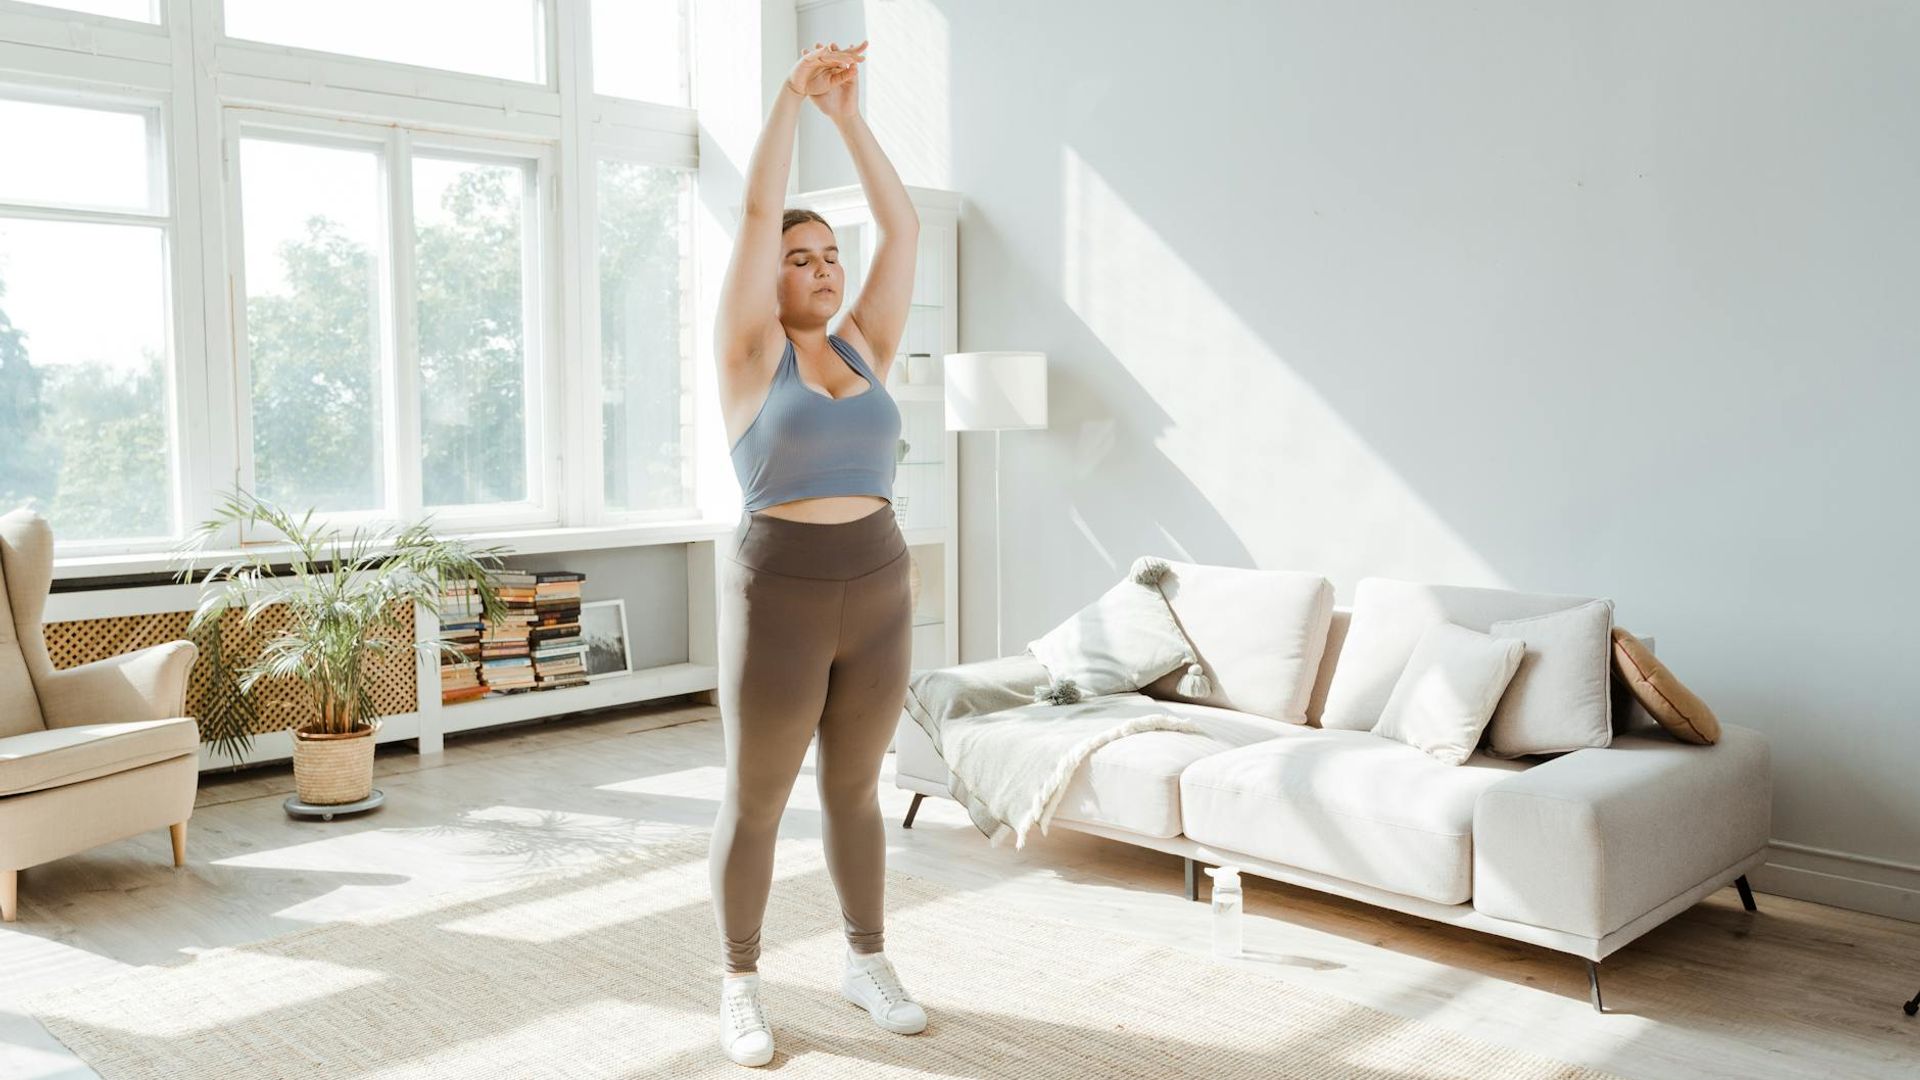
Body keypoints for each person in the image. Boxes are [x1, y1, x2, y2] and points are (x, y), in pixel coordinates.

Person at [708, 39, 926, 1068]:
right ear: (770, 275)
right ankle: (742, 982)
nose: (822, 267)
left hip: (880, 586)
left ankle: (865, 960)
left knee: (854, 790)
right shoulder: (749, 358)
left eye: (829, 254)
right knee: (756, 799)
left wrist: (848, 118)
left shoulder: (864, 346)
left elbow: (904, 224)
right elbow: (757, 216)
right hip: (781, 592)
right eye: (801, 257)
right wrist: (792, 98)